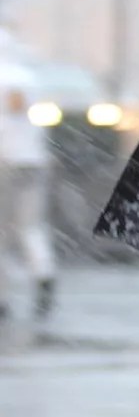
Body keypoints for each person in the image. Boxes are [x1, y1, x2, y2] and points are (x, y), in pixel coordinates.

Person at [0, 86, 57, 319]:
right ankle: (43, 274)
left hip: (5, 165)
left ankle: (3, 297)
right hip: (32, 166)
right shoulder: (31, 120)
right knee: (30, 228)